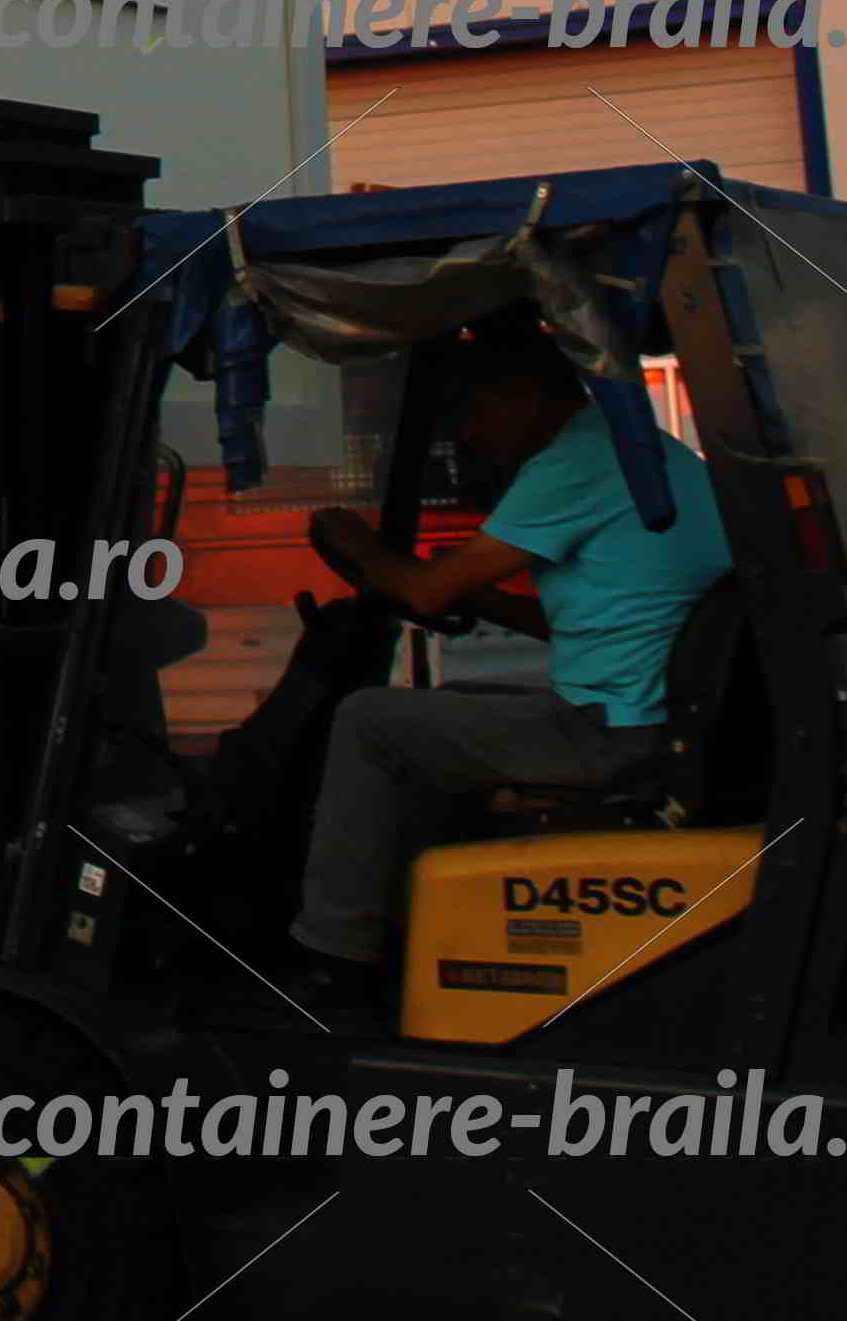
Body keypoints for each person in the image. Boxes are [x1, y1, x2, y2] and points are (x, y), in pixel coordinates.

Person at [291, 325, 729, 999]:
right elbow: (578, 621)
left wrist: (354, 543)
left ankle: (335, 956)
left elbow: (424, 593)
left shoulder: (576, 462)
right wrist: (483, 599)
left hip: (617, 733)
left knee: (368, 721)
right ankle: (419, 923)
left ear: (523, 396)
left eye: (476, 411)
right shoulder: (640, 450)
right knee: (449, 708)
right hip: (648, 713)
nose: (471, 434)